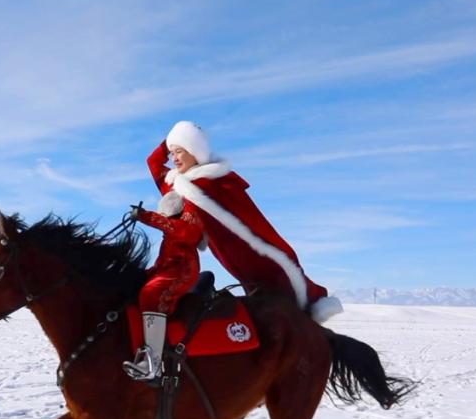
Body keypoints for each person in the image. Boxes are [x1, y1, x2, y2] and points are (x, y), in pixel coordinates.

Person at [147, 121, 343, 323]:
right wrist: (172, 139)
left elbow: (249, 220)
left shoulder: (212, 183)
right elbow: (153, 162)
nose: (173, 158)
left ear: (195, 152)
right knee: (257, 291)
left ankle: (307, 312)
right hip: (225, 252)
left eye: (179, 151)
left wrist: (192, 138)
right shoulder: (178, 182)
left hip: (245, 249)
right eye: (172, 153)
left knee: (276, 285)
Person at [122, 191, 204, 380]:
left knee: (151, 294)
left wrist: (144, 216)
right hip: (170, 271)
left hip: (182, 273)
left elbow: (171, 227)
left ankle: (153, 364)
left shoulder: (186, 227)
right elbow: (163, 262)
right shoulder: (171, 233)